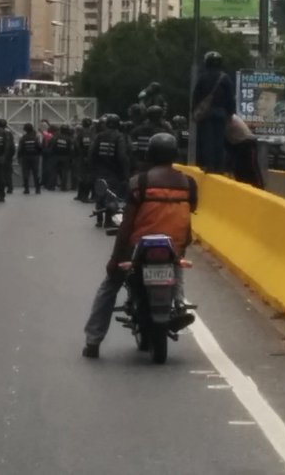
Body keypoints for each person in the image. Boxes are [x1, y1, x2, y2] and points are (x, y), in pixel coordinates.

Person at [82, 132, 198, 359]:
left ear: (149, 153)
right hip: (173, 245)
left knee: (110, 285)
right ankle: (178, 303)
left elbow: (127, 225)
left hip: (139, 246)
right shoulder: (189, 183)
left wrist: (115, 259)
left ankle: (93, 341)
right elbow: (190, 212)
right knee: (177, 268)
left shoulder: (140, 182)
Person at [192, 51, 235, 173]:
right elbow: (230, 98)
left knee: (206, 140)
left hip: (205, 115)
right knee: (219, 140)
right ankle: (219, 167)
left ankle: (208, 165)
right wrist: (230, 114)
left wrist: (194, 113)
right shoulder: (225, 78)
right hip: (221, 114)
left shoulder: (202, 77)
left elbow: (196, 97)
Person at [89, 114, 130, 227]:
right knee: (111, 196)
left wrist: (92, 169)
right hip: (114, 172)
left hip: (99, 171)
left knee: (100, 193)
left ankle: (99, 220)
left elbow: (92, 153)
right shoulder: (119, 136)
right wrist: (125, 174)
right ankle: (108, 220)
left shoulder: (99, 136)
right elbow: (122, 156)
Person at [17, 123, 43, 195]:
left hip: (25, 157)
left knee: (25, 173)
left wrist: (19, 157)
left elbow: (20, 149)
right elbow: (40, 147)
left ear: (25, 129)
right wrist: (39, 154)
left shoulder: (23, 138)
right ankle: (37, 189)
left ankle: (26, 189)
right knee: (36, 173)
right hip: (35, 157)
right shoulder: (36, 138)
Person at [74, 117, 95, 201]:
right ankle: (85, 196)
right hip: (89, 158)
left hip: (82, 157)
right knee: (87, 177)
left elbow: (77, 145)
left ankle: (81, 195)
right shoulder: (92, 133)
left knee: (83, 177)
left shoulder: (80, 133)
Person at [50, 125, 75, 192]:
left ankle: (52, 186)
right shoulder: (69, 139)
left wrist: (52, 154)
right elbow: (71, 149)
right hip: (65, 157)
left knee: (54, 172)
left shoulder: (56, 137)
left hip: (56, 156)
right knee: (64, 173)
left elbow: (52, 147)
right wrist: (71, 158)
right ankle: (63, 187)